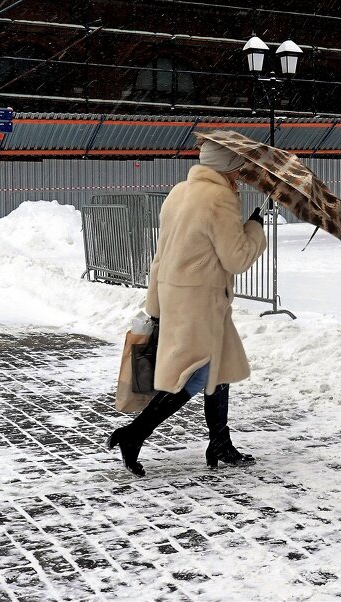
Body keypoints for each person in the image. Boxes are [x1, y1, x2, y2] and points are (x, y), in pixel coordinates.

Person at [107, 141, 268, 476]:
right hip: (202, 301)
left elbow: (163, 251)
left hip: (176, 295)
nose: (240, 172)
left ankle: (220, 443)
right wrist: (254, 228)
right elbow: (236, 258)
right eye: (237, 166)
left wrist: (155, 305)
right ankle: (134, 434)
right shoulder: (219, 198)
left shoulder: (180, 191)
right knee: (198, 375)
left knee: (217, 368)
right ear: (225, 167)